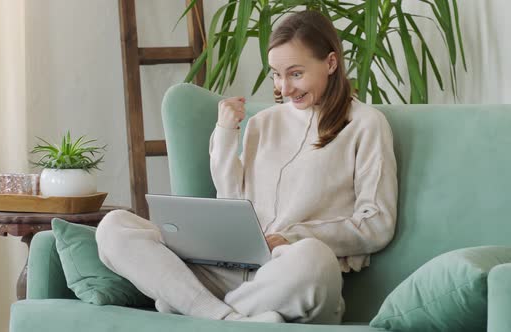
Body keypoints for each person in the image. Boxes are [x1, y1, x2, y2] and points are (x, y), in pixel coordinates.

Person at [96, 10, 397, 325]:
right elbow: (231, 201)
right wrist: (225, 134)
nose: (284, 88)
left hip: (287, 276)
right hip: (225, 268)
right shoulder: (263, 122)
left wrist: (292, 237)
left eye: (296, 73)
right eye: (276, 74)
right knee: (114, 226)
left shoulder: (365, 125)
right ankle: (226, 318)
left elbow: (376, 224)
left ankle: (190, 305)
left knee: (315, 260)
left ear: (331, 63)